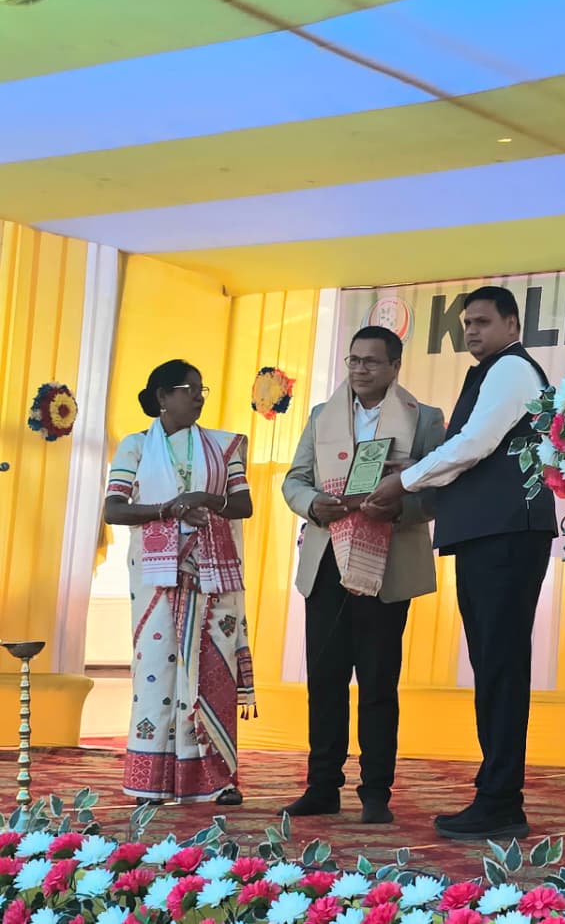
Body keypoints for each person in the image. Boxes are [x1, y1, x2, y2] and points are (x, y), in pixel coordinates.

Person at [366, 286, 556, 841]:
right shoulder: (492, 370)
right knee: (494, 665)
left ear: (512, 324)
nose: (471, 331)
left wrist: (405, 479)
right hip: (489, 534)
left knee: (501, 666)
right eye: (466, 323)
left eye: (482, 321)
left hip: (506, 534)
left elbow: (475, 443)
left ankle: (501, 800)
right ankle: (497, 795)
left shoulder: (512, 369)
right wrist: (412, 474)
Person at [280, 325, 445, 825]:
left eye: (371, 361)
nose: (359, 369)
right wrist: (314, 504)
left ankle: (376, 793)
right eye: (353, 360)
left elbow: (439, 490)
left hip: (386, 562)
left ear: (395, 366)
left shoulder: (425, 419)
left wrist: (398, 509)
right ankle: (321, 787)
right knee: (325, 679)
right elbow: (294, 480)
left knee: (377, 681)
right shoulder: (321, 415)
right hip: (327, 559)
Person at [104, 360, 255, 806]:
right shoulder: (134, 447)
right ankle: (149, 782)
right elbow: (114, 509)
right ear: (162, 397)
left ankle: (217, 780)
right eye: (189, 389)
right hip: (156, 578)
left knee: (212, 671)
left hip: (212, 578)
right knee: (156, 672)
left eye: (201, 388)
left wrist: (206, 499)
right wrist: (167, 510)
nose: (199, 397)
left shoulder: (225, 446)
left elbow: (243, 505)